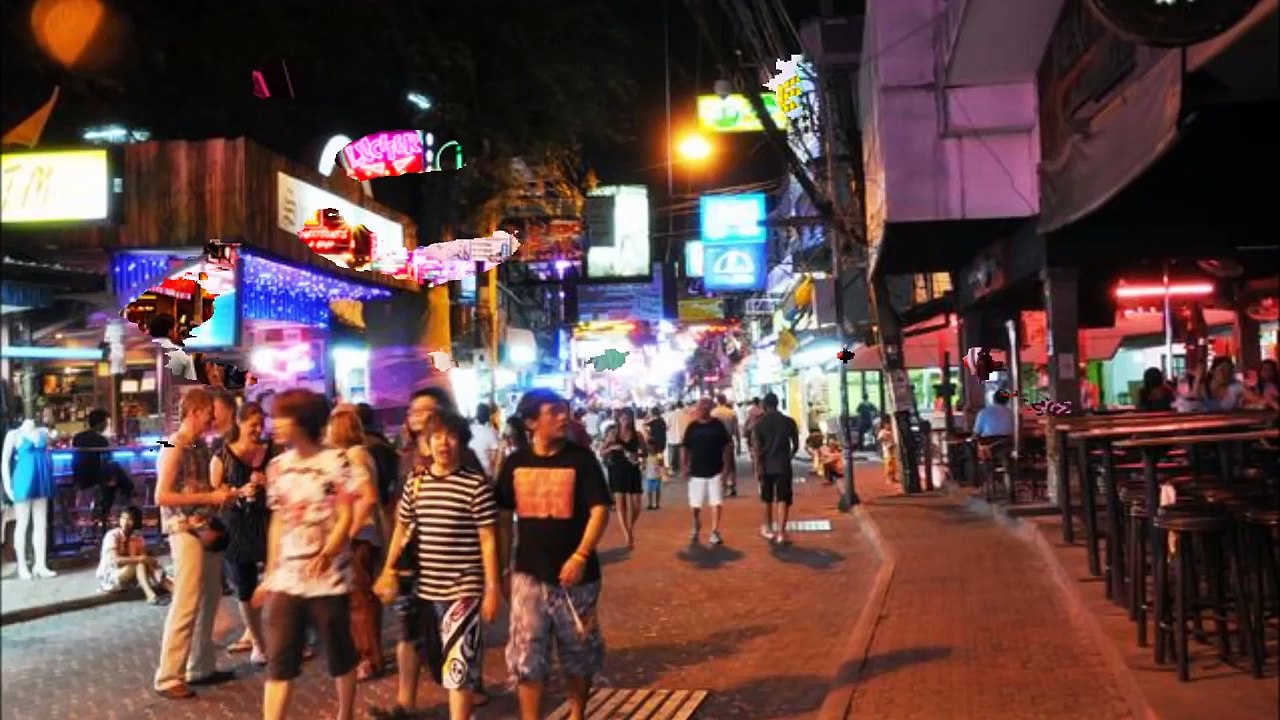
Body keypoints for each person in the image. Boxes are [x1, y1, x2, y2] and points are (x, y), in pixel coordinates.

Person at [373, 411, 501, 720]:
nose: (444, 443)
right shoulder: (416, 484)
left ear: (461, 442)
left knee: (459, 663)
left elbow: (488, 539)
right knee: (436, 658)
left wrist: (493, 586)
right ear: (427, 444)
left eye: (451, 436)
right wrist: (389, 569)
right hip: (425, 589)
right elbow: (402, 530)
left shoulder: (475, 485)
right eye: (437, 437)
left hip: (464, 588)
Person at [495, 389, 612, 720]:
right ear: (532, 422)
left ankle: (577, 713)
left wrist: (580, 555)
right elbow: (503, 518)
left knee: (578, 655)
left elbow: (599, 510)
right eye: (554, 412)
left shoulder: (581, 459)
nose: (564, 417)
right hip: (529, 575)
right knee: (527, 658)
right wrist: (504, 570)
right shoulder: (516, 463)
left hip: (579, 580)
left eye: (565, 410)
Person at [253, 389, 360, 720]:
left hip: (328, 580)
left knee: (339, 655)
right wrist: (270, 573)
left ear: (303, 423)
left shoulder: (335, 463)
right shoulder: (277, 467)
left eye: (282, 418)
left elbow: (345, 515)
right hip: (287, 579)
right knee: (279, 660)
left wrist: (330, 551)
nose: (275, 425)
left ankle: (345, 713)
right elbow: (277, 522)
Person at [153, 388, 237, 700]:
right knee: (186, 601)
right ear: (194, 413)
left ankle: (200, 666)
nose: (212, 421)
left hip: (202, 527)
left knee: (209, 597)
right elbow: (162, 496)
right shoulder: (175, 445)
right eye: (208, 415)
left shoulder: (199, 444)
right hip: (184, 529)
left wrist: (221, 495)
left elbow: (198, 487)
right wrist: (211, 497)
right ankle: (168, 675)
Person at [211, 402, 272, 666]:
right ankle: (258, 643)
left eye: (261, 424)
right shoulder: (222, 455)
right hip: (236, 526)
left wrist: (269, 483)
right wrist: (238, 492)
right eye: (253, 425)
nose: (258, 430)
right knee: (245, 587)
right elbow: (215, 497)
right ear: (239, 423)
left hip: (268, 523)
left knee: (276, 582)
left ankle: (278, 635)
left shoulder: (271, 451)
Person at [328, 407, 385, 681]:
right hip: (367, 535)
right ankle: (371, 654)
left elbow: (369, 496)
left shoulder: (353, 457)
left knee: (359, 600)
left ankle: (368, 657)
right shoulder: (361, 454)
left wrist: (348, 531)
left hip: (361, 536)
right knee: (365, 599)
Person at [681, 397, 733, 545]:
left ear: (710, 408)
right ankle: (696, 525)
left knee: (716, 502)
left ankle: (715, 531)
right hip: (696, 471)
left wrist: (727, 467)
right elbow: (685, 447)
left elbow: (727, 445)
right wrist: (685, 466)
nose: (701, 410)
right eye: (699, 407)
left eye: (704, 407)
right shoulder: (692, 427)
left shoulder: (717, 425)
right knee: (695, 505)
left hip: (715, 469)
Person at [750, 393, 799, 545]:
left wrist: (757, 468)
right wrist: (789, 456)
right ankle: (782, 533)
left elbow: (757, 449)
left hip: (766, 465)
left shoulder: (759, 424)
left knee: (767, 498)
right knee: (783, 498)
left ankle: (768, 528)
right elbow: (795, 444)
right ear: (778, 404)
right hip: (783, 464)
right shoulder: (789, 422)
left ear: (764, 406)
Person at [97, 505, 171, 604]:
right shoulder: (112, 535)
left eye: (129, 519)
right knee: (139, 562)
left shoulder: (137, 538)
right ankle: (151, 595)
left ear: (135, 522)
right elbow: (116, 560)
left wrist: (155, 567)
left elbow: (144, 560)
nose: (125, 522)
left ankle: (171, 590)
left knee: (145, 563)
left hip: (130, 579)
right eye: (123, 518)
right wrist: (142, 558)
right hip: (111, 577)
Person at [72, 409, 135, 526]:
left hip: (79, 478)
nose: (107, 425)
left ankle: (104, 514)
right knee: (114, 473)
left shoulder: (77, 437)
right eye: (106, 422)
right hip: (97, 479)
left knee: (114, 474)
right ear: (100, 423)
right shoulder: (101, 440)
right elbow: (108, 460)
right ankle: (124, 500)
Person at [600, 407, 643, 548]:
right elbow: (601, 452)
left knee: (637, 505)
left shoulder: (638, 435)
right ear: (618, 419)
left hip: (632, 468)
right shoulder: (613, 434)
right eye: (623, 418)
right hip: (617, 469)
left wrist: (638, 456)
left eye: (628, 418)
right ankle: (627, 534)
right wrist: (612, 448)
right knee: (621, 503)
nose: (625, 421)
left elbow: (646, 452)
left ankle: (630, 527)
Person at [711, 396, 740, 497]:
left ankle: (721, 487)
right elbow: (736, 430)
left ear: (717, 401)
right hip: (728, 441)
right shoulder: (731, 412)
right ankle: (731, 486)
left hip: (715, 443)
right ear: (725, 401)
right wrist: (739, 443)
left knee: (718, 465)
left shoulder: (713, 413)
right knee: (730, 465)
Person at [470, 403, 502, 478]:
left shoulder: (469, 429)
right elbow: (495, 458)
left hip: (469, 471)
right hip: (486, 474)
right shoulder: (492, 432)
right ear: (489, 416)